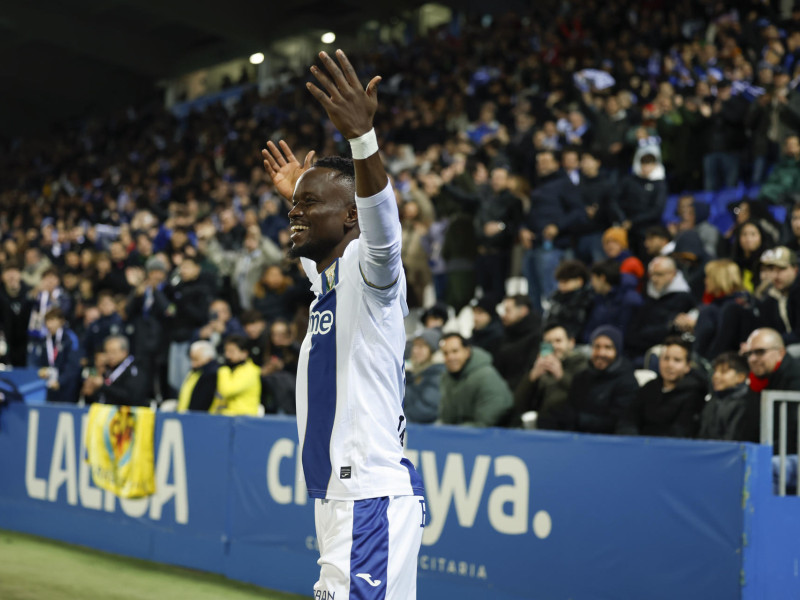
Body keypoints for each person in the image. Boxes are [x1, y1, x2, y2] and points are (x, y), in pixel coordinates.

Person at [261, 50, 424, 599]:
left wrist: (362, 141)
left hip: (366, 495)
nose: (294, 213)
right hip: (343, 496)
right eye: (293, 206)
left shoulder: (372, 271)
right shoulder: (329, 281)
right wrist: (301, 194)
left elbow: (382, 224)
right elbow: (315, 260)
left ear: (350, 215)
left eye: (310, 204)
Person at [617, 337, 707, 438]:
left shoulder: (694, 394)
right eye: (666, 358)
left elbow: (682, 431)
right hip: (639, 446)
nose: (669, 365)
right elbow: (629, 419)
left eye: (677, 360)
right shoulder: (650, 387)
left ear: (687, 366)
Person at [562, 325, 639, 434]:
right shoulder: (580, 378)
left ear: (617, 351)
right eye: (597, 347)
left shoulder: (627, 382)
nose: (601, 353)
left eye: (608, 347)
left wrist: (580, 420)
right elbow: (569, 411)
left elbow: (618, 421)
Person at [513, 324, 588, 429]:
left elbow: (584, 396)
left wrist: (560, 375)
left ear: (571, 343)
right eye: (548, 343)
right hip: (539, 427)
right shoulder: (542, 369)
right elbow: (519, 404)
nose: (554, 346)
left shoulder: (582, 365)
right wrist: (532, 377)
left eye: (558, 341)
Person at [626, 256, 696, 359]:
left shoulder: (684, 299)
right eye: (652, 275)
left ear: (673, 274)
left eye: (659, 274)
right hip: (639, 350)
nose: (654, 279)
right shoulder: (649, 296)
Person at [439, 333, 513, 427]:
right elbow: (446, 417)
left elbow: (485, 422)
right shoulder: (447, 379)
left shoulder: (486, 376)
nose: (450, 357)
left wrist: (453, 432)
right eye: (445, 353)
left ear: (467, 351)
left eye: (455, 351)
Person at [744, 328, 800, 453]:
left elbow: (793, 433)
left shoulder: (796, 376)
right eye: (749, 353)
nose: (752, 359)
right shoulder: (757, 381)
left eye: (760, 352)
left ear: (780, 353)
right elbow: (749, 429)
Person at [697, 352, 758, 442]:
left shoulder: (748, 404)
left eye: (723, 372)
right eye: (715, 371)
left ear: (740, 377)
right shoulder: (713, 400)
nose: (715, 376)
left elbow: (733, 439)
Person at [81, 335, 147, 406]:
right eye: (107, 352)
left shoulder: (134, 370)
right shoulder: (106, 369)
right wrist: (91, 391)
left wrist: (102, 385)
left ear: (124, 352)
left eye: (113, 352)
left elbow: (131, 397)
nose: (110, 356)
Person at [33, 308, 82, 404]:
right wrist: (42, 370)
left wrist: (60, 381)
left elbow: (73, 365)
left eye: (52, 320)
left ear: (61, 321)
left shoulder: (70, 339)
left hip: (67, 387)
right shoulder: (45, 340)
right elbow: (41, 361)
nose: (49, 324)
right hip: (50, 385)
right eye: (47, 321)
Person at [757, 246, 800, 346]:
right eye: (772, 269)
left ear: (795, 269)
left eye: (781, 269)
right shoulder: (770, 296)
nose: (775, 276)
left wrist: (769, 342)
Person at [210, 334, 261, 416]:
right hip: (224, 418)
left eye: (231, 351)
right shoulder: (231, 370)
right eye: (226, 351)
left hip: (243, 421)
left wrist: (224, 369)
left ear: (244, 353)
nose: (227, 355)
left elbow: (226, 391)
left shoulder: (250, 371)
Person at [403, 329, 445, 424]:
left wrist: (401, 422)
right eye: (415, 346)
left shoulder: (438, 373)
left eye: (421, 346)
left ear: (433, 350)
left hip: (426, 432)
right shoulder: (413, 374)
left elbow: (427, 409)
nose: (415, 350)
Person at [177, 340, 219, 413]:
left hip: (200, 419)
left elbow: (203, 401)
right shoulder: (194, 372)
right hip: (186, 416)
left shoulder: (211, 374)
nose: (192, 364)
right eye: (191, 359)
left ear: (208, 358)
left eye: (196, 359)